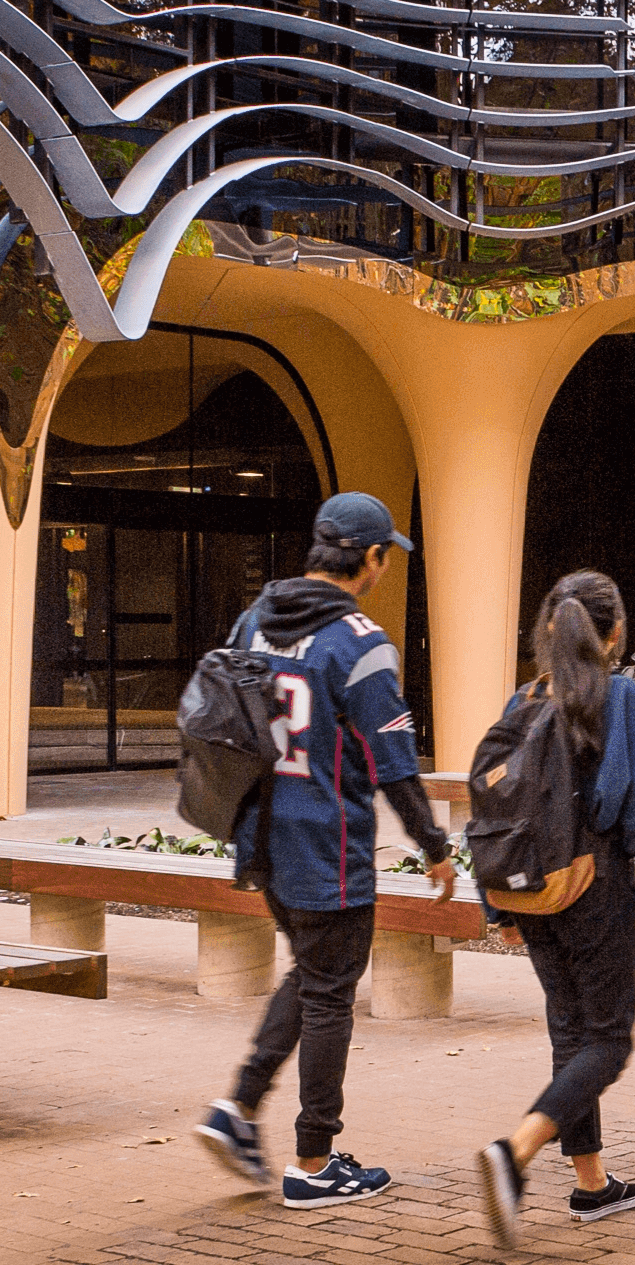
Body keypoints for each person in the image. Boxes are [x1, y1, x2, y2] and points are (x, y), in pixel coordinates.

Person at [193, 492, 456, 1207]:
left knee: (314, 974)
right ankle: (315, 1163)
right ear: (369, 558)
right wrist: (434, 845)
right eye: (384, 557)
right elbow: (394, 760)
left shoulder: (255, 620)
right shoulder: (360, 642)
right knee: (332, 994)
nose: (383, 568)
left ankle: (238, 1108)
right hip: (328, 846)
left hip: (262, 839)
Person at [479, 570, 635, 1246]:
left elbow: (495, 807)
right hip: (595, 888)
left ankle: (593, 1186)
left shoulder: (524, 699)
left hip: (534, 891)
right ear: (614, 632)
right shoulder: (618, 696)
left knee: (571, 1036)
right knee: (608, 1041)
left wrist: (500, 909)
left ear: (547, 630)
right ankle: (514, 1152)